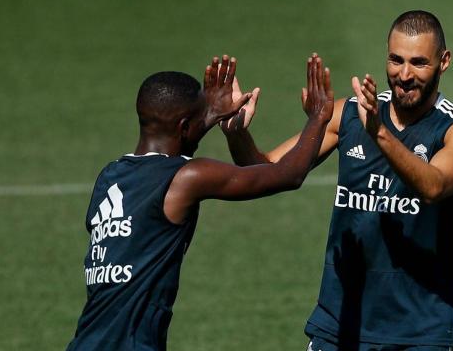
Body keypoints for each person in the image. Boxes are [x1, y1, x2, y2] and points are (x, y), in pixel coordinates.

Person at [222, 11, 453, 350]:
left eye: (419, 63)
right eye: (396, 60)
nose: (404, 75)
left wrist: (378, 133)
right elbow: (267, 170)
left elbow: (433, 186)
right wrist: (236, 132)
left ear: (444, 61)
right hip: (338, 325)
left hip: (420, 333)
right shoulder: (348, 114)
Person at [66, 53, 334, 350]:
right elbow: (287, 175)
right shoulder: (186, 177)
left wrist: (210, 117)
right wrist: (319, 117)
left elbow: (176, 144)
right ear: (183, 126)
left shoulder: (110, 177)